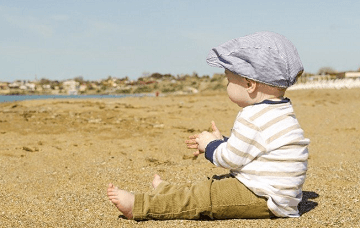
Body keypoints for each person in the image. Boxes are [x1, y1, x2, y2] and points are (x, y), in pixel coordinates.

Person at [107, 31, 310, 220]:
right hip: (279, 195)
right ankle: (168, 191)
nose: (226, 85)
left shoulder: (252, 116)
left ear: (249, 84)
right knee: (212, 185)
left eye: (229, 80)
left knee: (205, 196)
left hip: (263, 197)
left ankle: (140, 206)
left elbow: (231, 159)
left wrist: (210, 146)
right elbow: (254, 150)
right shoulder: (281, 111)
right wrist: (222, 141)